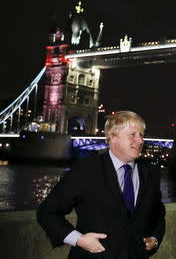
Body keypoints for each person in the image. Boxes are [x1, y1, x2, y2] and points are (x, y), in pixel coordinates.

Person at [37, 111, 165, 259]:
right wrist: (78, 239)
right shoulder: (86, 170)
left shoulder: (150, 172)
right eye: (133, 134)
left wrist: (154, 239)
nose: (140, 140)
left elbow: (158, 214)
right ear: (112, 137)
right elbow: (47, 212)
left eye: (141, 135)